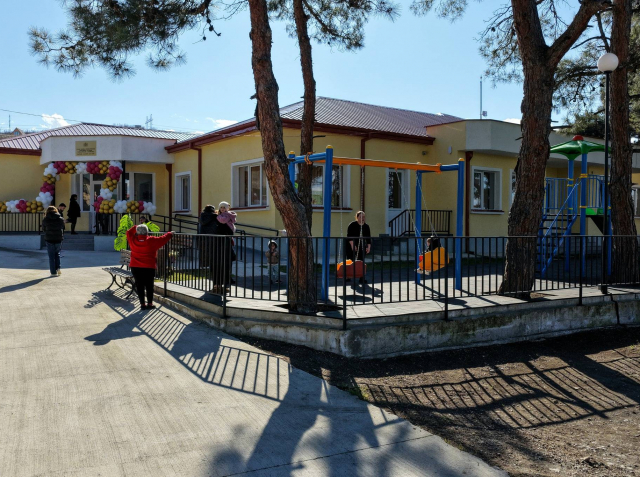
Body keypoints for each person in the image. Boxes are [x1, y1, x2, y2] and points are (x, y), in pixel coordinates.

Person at [126, 224, 174, 310]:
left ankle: (142, 304)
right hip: (149, 266)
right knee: (149, 285)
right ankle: (150, 303)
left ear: (137, 232)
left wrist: (136, 226)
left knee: (139, 285)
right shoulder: (152, 240)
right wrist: (170, 234)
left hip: (135, 266)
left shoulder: (132, 240)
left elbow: (129, 232)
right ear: (147, 232)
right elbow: (163, 239)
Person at [346, 211, 372, 284]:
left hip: (361, 245)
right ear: (357, 217)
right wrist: (353, 245)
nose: (362, 218)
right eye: (361, 217)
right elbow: (349, 236)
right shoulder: (352, 225)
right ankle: (348, 276)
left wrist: (368, 247)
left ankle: (361, 277)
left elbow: (368, 238)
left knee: (361, 261)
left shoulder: (366, 226)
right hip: (351, 244)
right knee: (350, 260)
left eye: (364, 217)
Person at [42, 206, 65, 277]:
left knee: (51, 256)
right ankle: (58, 268)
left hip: (49, 239)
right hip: (58, 238)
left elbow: (44, 229)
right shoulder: (60, 219)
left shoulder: (45, 219)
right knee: (57, 254)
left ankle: (53, 272)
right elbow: (63, 227)